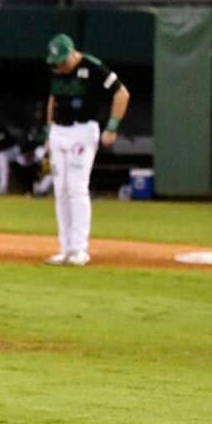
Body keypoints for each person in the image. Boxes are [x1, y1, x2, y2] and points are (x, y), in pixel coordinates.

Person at [44, 33, 130, 266]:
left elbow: (121, 93)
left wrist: (112, 127)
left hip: (82, 130)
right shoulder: (56, 70)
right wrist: (48, 128)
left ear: (73, 52)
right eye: (56, 62)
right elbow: (53, 97)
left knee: (76, 187)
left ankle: (79, 249)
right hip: (58, 132)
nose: (60, 66)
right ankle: (65, 247)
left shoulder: (92, 67)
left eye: (63, 60)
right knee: (60, 189)